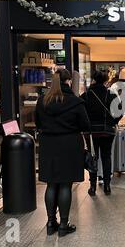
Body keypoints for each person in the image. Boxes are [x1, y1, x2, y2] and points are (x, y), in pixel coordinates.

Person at [35, 69, 91, 237]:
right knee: (65, 184)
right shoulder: (75, 102)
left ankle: (51, 222)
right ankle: (64, 225)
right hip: (69, 145)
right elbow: (85, 125)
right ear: (68, 82)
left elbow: (38, 124)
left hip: (48, 145)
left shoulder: (42, 101)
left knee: (51, 184)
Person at [82, 70, 122, 196]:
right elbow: (119, 112)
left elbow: (81, 113)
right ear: (106, 81)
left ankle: (93, 186)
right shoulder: (111, 94)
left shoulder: (86, 95)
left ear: (93, 79)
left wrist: (86, 125)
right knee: (106, 156)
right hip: (107, 131)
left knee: (93, 157)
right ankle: (107, 186)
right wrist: (112, 122)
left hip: (92, 132)